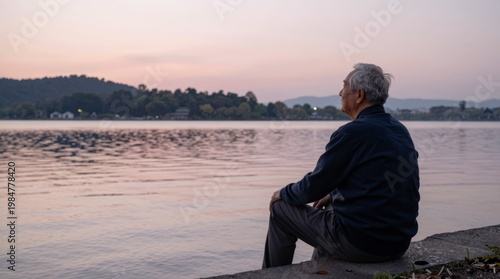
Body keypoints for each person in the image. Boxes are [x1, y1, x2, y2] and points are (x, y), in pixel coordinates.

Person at [262, 63, 420, 268]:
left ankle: (271, 274)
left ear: (359, 95)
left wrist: (283, 193)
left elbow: (313, 186)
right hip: (397, 243)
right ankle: (321, 267)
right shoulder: (399, 130)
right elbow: (378, 180)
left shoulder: (351, 133)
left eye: (344, 86)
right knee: (329, 202)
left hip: (362, 245)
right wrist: (332, 193)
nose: (340, 92)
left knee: (280, 209)